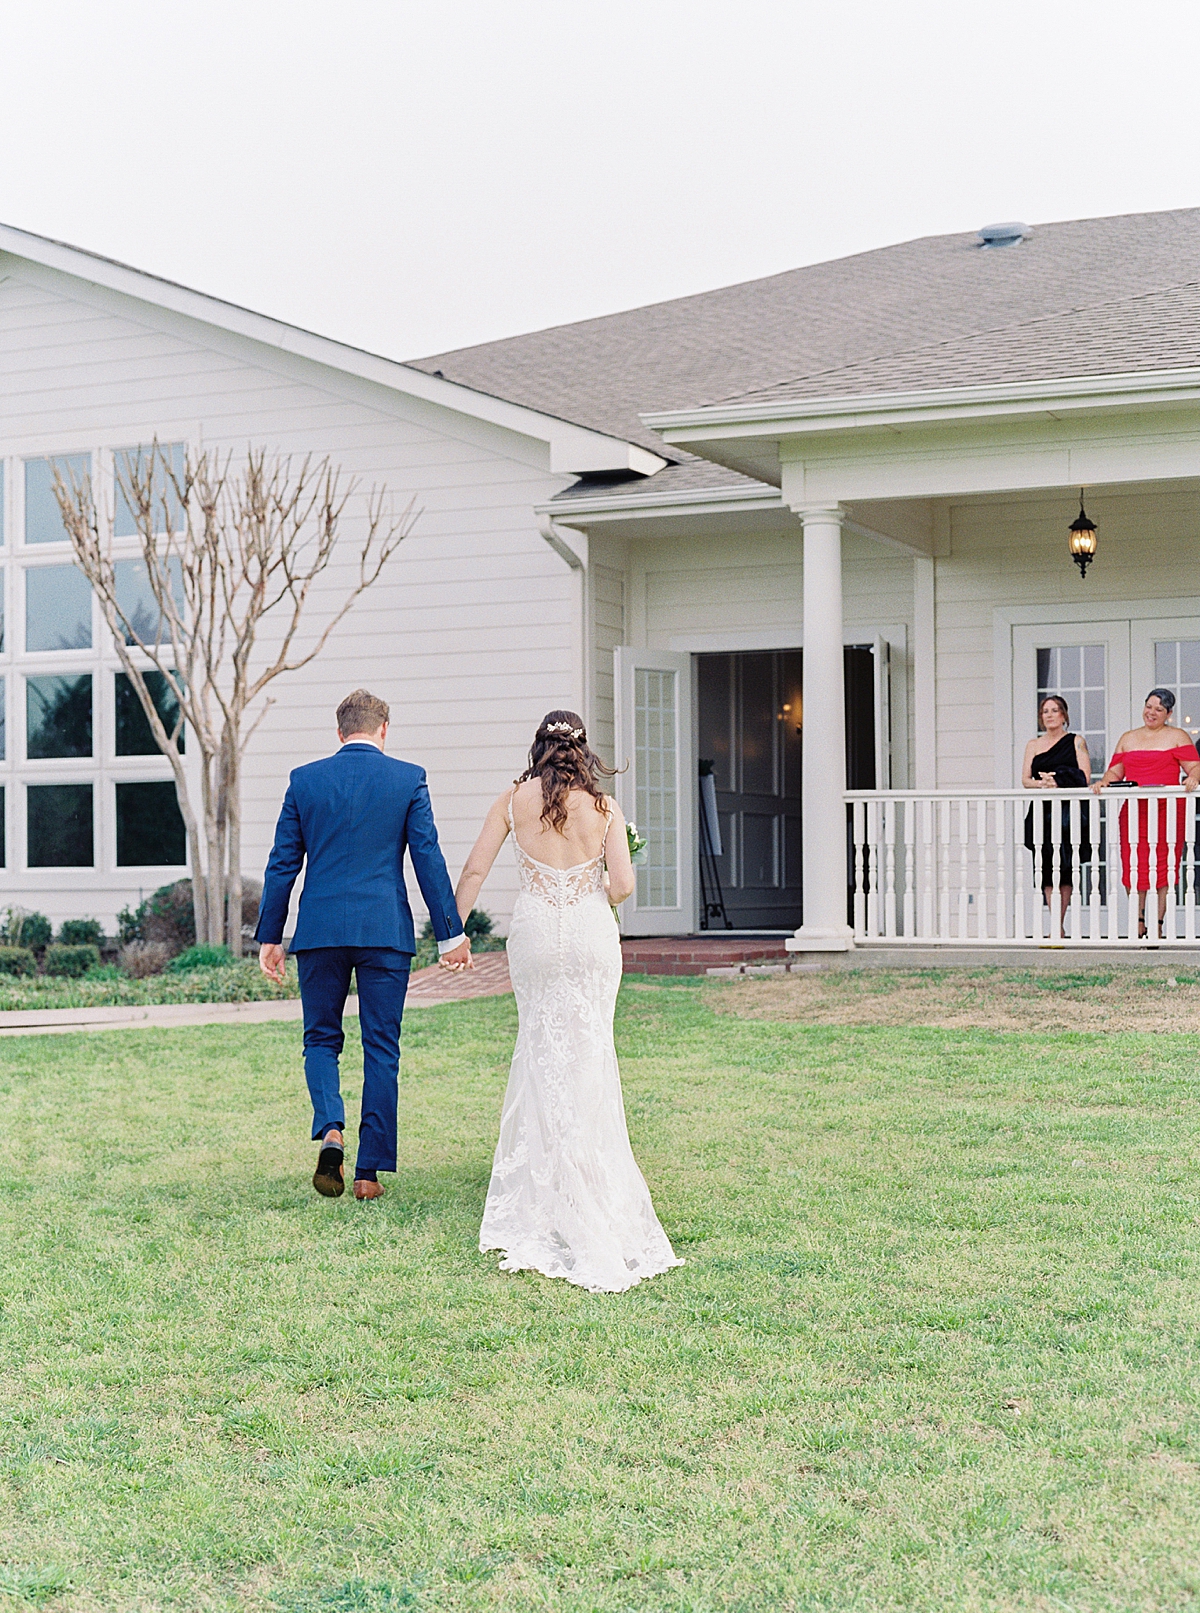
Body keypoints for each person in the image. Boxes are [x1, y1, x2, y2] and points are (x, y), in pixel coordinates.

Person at [451, 710, 682, 1293]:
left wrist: (452, 931)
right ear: (582, 753)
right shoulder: (604, 809)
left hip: (534, 937)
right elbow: (623, 886)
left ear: (539, 748)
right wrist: (588, 891)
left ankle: (550, 1188)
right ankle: (589, 1181)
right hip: (588, 935)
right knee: (588, 1056)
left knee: (539, 1049)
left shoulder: (512, 800)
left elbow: (476, 868)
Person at [256, 689, 467, 1199]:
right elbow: (428, 859)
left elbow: (283, 862)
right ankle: (368, 1174)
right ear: (384, 730)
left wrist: (270, 935)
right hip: (384, 933)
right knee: (381, 1048)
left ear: (340, 732)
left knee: (321, 1039)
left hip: (321, 932)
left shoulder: (304, 781)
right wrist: (451, 933)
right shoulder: (408, 778)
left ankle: (330, 1128)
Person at [1092, 688, 1200, 938]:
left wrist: (1193, 776)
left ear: (1169, 714)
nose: (1151, 713)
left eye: (1158, 709)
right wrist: (1103, 782)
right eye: (1148, 706)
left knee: (1165, 866)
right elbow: (1115, 772)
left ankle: (1158, 924)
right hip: (1134, 811)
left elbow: (1194, 766)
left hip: (1167, 810)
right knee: (1133, 865)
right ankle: (1138, 921)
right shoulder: (1128, 738)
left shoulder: (1178, 736)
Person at [1022, 695, 1092, 937]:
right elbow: (1025, 780)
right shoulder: (1033, 744)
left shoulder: (1076, 741)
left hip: (1066, 812)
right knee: (1045, 867)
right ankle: (1055, 926)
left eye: (1054, 710)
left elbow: (1084, 776)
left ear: (1064, 715)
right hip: (1042, 810)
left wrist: (1059, 780)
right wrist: (1042, 785)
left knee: (1065, 866)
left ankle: (1059, 923)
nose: (1049, 715)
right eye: (1045, 711)